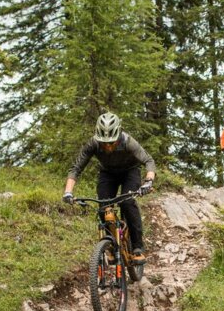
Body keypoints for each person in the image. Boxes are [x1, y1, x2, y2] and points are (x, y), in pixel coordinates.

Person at [63, 112, 155, 264]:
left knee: (127, 202)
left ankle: (138, 246)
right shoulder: (93, 144)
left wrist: (149, 181)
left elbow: (148, 160)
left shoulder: (128, 141)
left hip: (130, 172)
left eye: (111, 142)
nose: (108, 146)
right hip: (108, 174)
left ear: (118, 134)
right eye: (104, 143)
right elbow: (76, 169)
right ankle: (110, 245)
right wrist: (68, 192)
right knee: (104, 206)